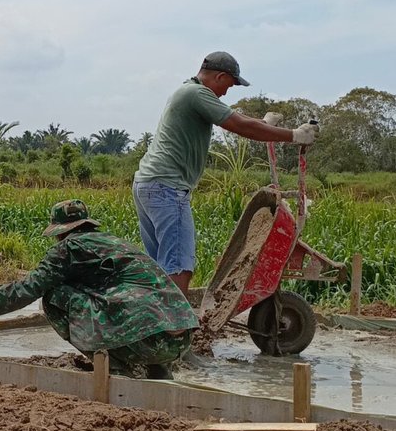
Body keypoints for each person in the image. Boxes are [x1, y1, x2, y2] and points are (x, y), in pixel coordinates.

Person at [0, 200, 198, 379]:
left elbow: (26, 289)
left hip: (146, 341)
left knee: (54, 296)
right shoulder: (114, 242)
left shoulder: (68, 248)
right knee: (129, 300)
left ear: (60, 232)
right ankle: (158, 372)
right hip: (181, 339)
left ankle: (113, 367)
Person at [133, 51, 316, 296]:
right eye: (228, 86)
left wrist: (264, 124)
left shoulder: (187, 91)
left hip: (148, 185)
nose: (226, 93)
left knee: (161, 266)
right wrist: (295, 135)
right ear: (219, 77)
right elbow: (239, 125)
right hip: (167, 187)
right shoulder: (197, 94)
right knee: (178, 266)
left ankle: (157, 316)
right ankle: (176, 320)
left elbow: (238, 118)